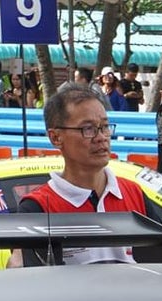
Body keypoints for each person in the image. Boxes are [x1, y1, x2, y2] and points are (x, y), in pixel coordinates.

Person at [15, 83, 151, 265]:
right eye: (88, 129)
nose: (101, 137)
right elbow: (23, 270)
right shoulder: (37, 207)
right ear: (56, 137)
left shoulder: (133, 193)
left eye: (104, 126)